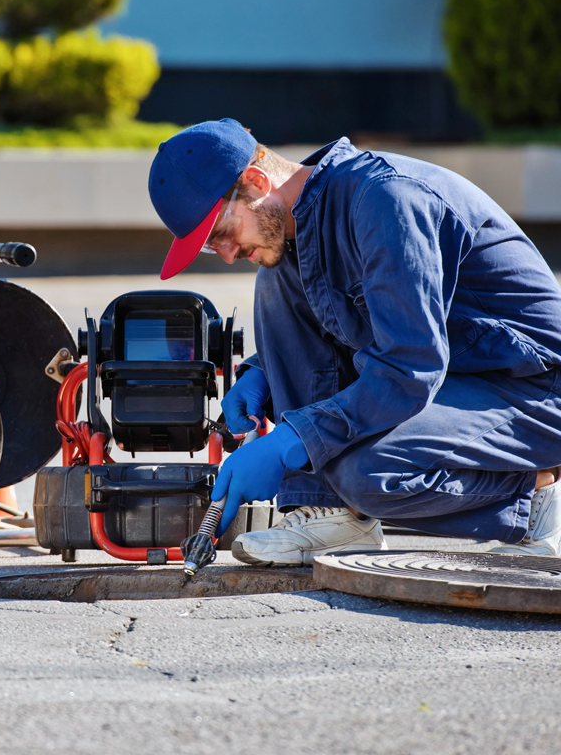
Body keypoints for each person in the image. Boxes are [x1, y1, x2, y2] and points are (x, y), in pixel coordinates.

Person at [147, 118, 561, 565]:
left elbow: (409, 367)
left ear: (255, 180)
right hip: (458, 376)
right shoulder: (300, 221)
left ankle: (530, 494)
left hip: (533, 388)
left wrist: (297, 440)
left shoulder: (386, 200)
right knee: (275, 273)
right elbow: (350, 322)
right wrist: (264, 373)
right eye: (212, 247)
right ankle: (330, 514)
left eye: (220, 234)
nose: (226, 254)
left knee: (369, 474)